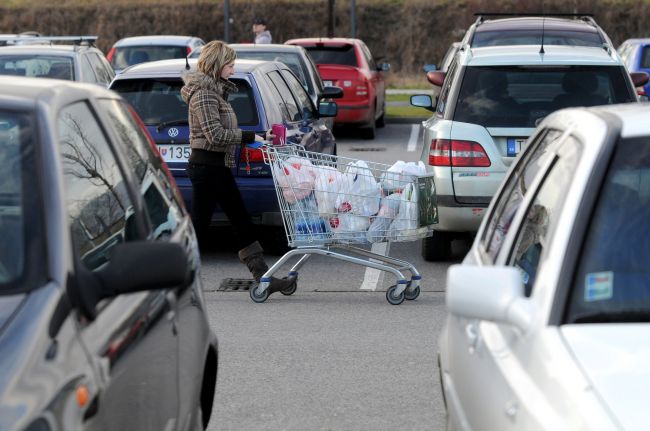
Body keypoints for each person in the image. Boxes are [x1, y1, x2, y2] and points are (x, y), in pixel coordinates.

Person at [181, 40, 294, 295]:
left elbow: (224, 132)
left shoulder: (216, 92)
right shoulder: (204, 95)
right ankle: (176, 279)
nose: (233, 70)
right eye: (230, 65)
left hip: (217, 168)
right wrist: (249, 137)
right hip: (206, 169)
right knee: (200, 227)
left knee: (241, 221)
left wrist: (260, 135)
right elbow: (215, 135)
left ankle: (263, 278)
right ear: (217, 64)